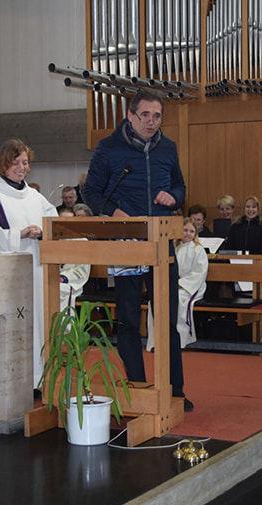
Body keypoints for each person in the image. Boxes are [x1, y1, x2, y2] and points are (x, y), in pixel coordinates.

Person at [83, 90, 192, 411]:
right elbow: (91, 192)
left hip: (161, 242)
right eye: (145, 115)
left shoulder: (168, 147)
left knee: (167, 321)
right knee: (129, 321)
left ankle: (174, 391)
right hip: (126, 244)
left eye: (157, 116)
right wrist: (114, 212)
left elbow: (180, 186)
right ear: (131, 116)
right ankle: (137, 387)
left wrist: (174, 197)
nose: (151, 122)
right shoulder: (108, 147)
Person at [0, 139, 58, 390]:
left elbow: (54, 222)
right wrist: (17, 234)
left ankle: (38, 379)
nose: (22, 168)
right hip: (9, 276)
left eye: (25, 162)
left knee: (38, 325)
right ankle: (13, 381)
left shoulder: (35, 197)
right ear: (3, 164)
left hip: (37, 271)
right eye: (15, 163)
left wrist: (41, 232)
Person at [147, 218, 208, 350]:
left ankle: (178, 341)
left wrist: (180, 284)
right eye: (185, 230)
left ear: (195, 233)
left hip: (190, 287)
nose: (188, 234)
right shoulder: (173, 248)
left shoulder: (198, 250)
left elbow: (200, 273)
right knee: (155, 301)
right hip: (172, 285)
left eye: (191, 231)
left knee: (178, 299)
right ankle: (156, 342)